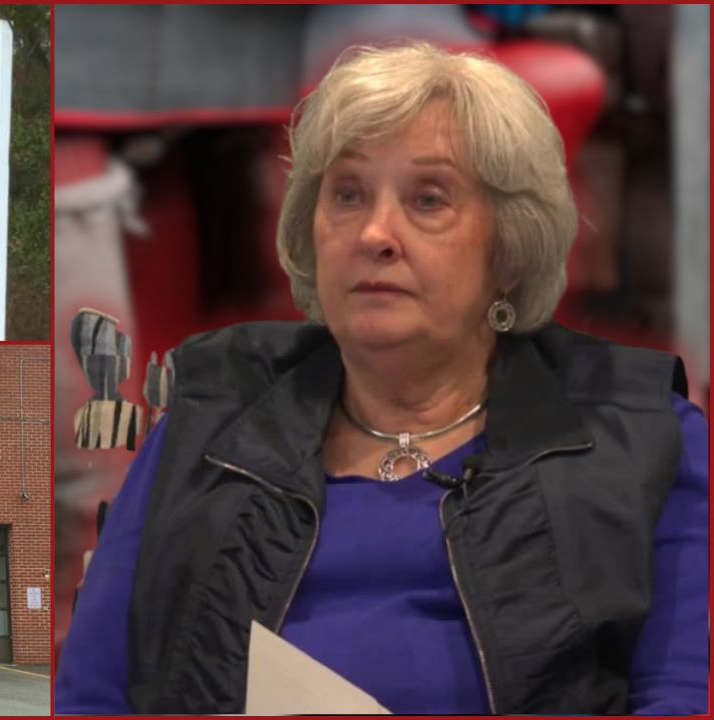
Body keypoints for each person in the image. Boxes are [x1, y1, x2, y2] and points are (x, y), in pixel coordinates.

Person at [55, 43, 708, 715]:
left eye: (428, 199)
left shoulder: (643, 432)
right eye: (347, 194)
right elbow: (94, 694)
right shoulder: (209, 414)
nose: (374, 233)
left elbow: (682, 697)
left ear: (508, 247)